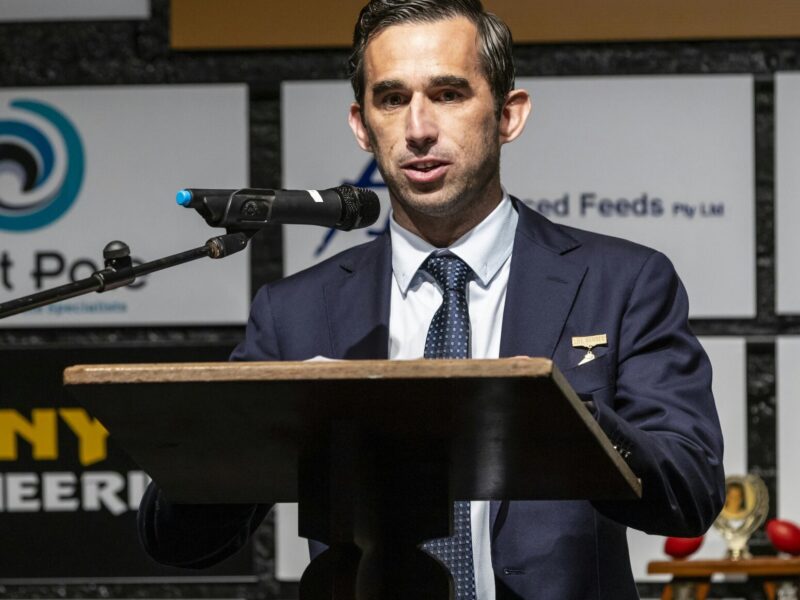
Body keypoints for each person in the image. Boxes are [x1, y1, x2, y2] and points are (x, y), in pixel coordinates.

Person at [138, 1, 725, 598]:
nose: (418, 128)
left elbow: (692, 492)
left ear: (508, 115)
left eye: (448, 94)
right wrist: (239, 434)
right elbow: (178, 541)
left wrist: (569, 422)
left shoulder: (623, 281)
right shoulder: (295, 312)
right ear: (362, 125)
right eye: (392, 99)